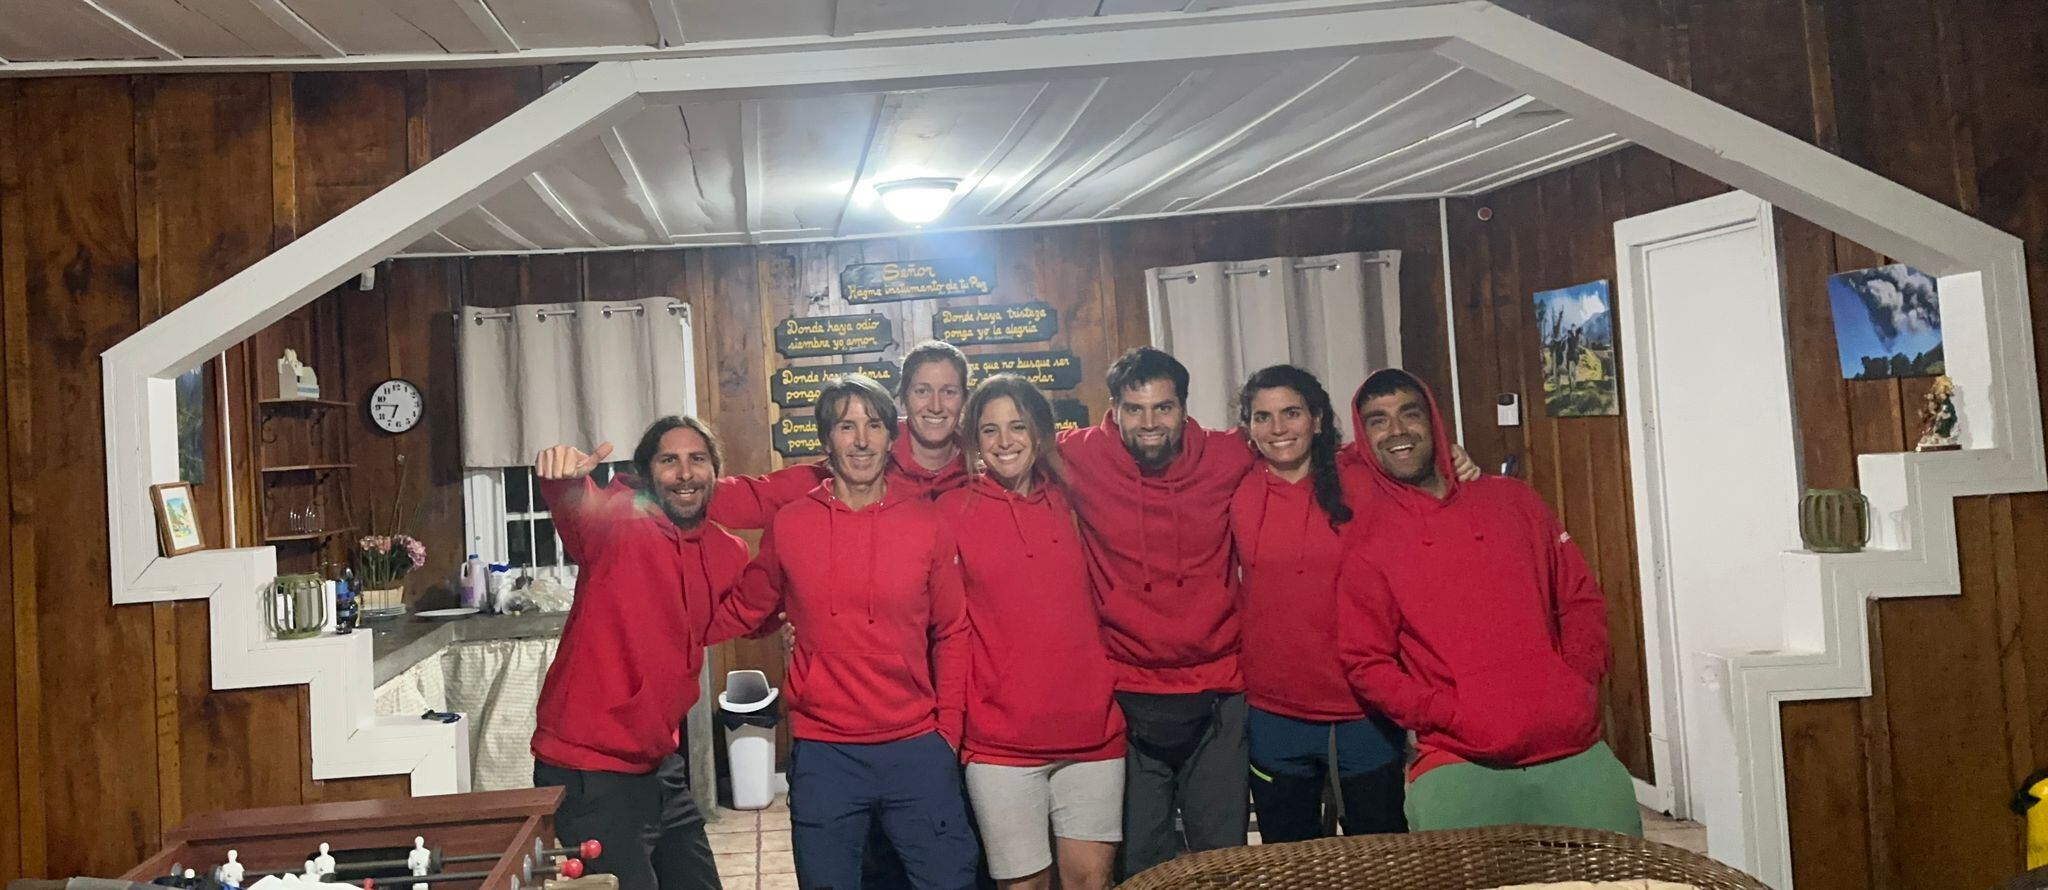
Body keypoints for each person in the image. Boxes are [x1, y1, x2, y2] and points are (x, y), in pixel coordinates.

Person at [1335, 368, 1641, 835]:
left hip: (1571, 743)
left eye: (1409, 414)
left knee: (1626, 882)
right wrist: (1447, 714)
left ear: (1434, 421)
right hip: (1457, 759)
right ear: (1363, 438)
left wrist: (1575, 682)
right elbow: (1365, 661)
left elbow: (1580, 600)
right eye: (1378, 421)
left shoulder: (1513, 500)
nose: (1396, 430)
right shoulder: (1367, 543)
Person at [709, 373, 980, 890]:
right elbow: (747, 608)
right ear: (825, 439)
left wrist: (947, 733)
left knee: (949, 881)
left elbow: (953, 630)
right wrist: (672, 621)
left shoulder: (925, 522)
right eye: (846, 426)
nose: (861, 440)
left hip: (916, 745)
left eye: (874, 425)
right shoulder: (791, 524)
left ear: (890, 436)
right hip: (825, 751)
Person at [1052, 347, 1255, 877]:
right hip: (1126, 694)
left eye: (1163, 408)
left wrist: (1448, 462)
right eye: (1134, 409)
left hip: (1217, 692)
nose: (1149, 423)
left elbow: (1313, 450)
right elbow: (994, 446)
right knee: (1140, 866)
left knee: (1221, 864)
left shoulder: (1229, 454)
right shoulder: (1080, 455)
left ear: (1185, 409)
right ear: (1114, 409)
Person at [531, 417, 748, 890]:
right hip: (588, 768)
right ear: (649, 473)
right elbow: (577, 509)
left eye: (698, 460)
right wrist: (562, 479)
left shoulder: (726, 551)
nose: (685, 473)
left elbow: (744, 614)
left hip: (659, 765)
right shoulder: (620, 518)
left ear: (716, 472)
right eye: (669, 460)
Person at [939, 375, 1125, 890]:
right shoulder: (951, 512)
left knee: (1091, 883)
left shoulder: (1074, 502)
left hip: (1093, 733)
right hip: (1000, 743)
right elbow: (930, 621)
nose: (1005, 442)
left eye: (1017, 427)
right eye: (990, 430)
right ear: (973, 440)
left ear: (1039, 432)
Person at [1232, 365, 1405, 842]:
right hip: (1275, 711)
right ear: (1247, 427)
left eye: (1291, 413)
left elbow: (1425, 467)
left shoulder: (1363, 478)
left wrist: (1459, 460)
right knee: (1289, 862)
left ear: (1318, 419)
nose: (1278, 428)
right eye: (1262, 417)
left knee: (1380, 859)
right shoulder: (1237, 489)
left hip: (1363, 710)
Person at [710, 340, 972, 528]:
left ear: (964, 399)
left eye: (949, 391)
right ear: (903, 396)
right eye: (922, 391)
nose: (936, 406)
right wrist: (683, 488)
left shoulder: (982, 471)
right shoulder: (866, 457)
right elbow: (759, 497)